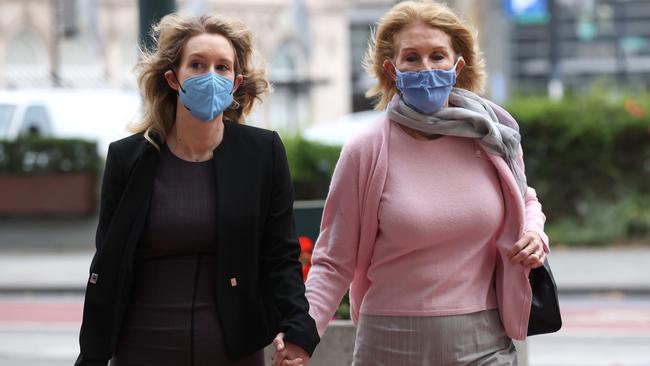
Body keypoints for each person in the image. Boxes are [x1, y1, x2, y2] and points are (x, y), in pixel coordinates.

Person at [273, 1, 550, 365]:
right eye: (412, 58)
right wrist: (301, 337)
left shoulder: (492, 137)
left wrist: (534, 234)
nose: (426, 68)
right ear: (392, 69)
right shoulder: (367, 150)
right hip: (389, 344)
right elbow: (333, 260)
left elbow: (524, 198)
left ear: (458, 65)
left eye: (438, 56)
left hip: (486, 341)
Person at [75, 13, 318, 366]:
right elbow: (109, 266)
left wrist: (297, 329)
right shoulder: (128, 159)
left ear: (235, 83)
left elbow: (280, 256)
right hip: (142, 350)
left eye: (223, 67)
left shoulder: (262, 153)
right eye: (197, 64)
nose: (211, 76)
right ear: (173, 78)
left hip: (233, 351)